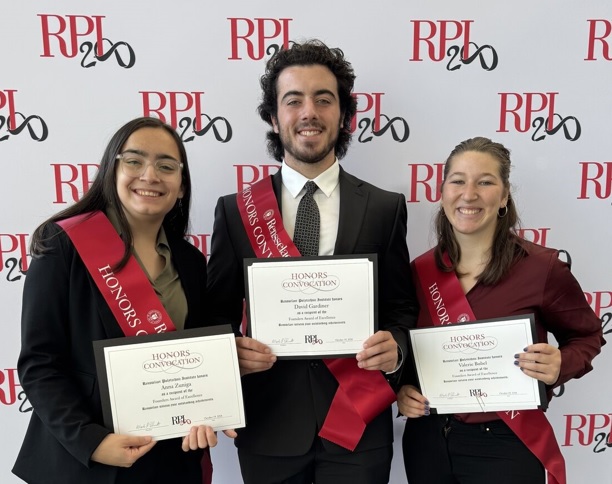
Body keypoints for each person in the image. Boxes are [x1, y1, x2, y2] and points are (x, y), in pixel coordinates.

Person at [206, 39, 419, 484]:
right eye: (293, 100)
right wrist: (231, 353)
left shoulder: (385, 207)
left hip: (357, 425)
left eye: (324, 99)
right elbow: (216, 316)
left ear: (343, 115)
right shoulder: (235, 210)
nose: (309, 112)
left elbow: (402, 306)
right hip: (268, 426)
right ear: (272, 116)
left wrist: (395, 346)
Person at [12, 117, 234, 484]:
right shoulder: (63, 245)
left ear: (181, 186)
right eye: (134, 161)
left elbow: (199, 363)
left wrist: (206, 412)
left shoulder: (193, 262)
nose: (150, 175)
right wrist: (92, 442)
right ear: (111, 171)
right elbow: (40, 364)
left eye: (166, 166)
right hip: (82, 463)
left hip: (169, 463)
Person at [397, 136, 605, 484]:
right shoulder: (419, 271)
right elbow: (405, 342)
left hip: (506, 443)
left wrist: (560, 364)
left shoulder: (542, 267)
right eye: (458, 181)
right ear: (443, 191)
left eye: (485, 182)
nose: (469, 194)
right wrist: (404, 389)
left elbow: (587, 335)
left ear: (505, 195)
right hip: (428, 440)